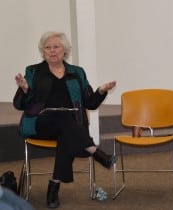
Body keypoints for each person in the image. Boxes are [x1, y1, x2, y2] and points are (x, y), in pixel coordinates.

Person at [13, 31, 116, 209]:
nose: (52, 51)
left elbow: (90, 103)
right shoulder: (33, 71)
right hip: (40, 123)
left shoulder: (77, 72)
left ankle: (53, 187)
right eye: (48, 47)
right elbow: (19, 105)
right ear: (43, 51)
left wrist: (100, 91)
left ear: (65, 50)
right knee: (64, 118)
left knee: (66, 132)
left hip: (69, 127)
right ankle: (95, 151)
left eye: (56, 47)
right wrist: (24, 90)